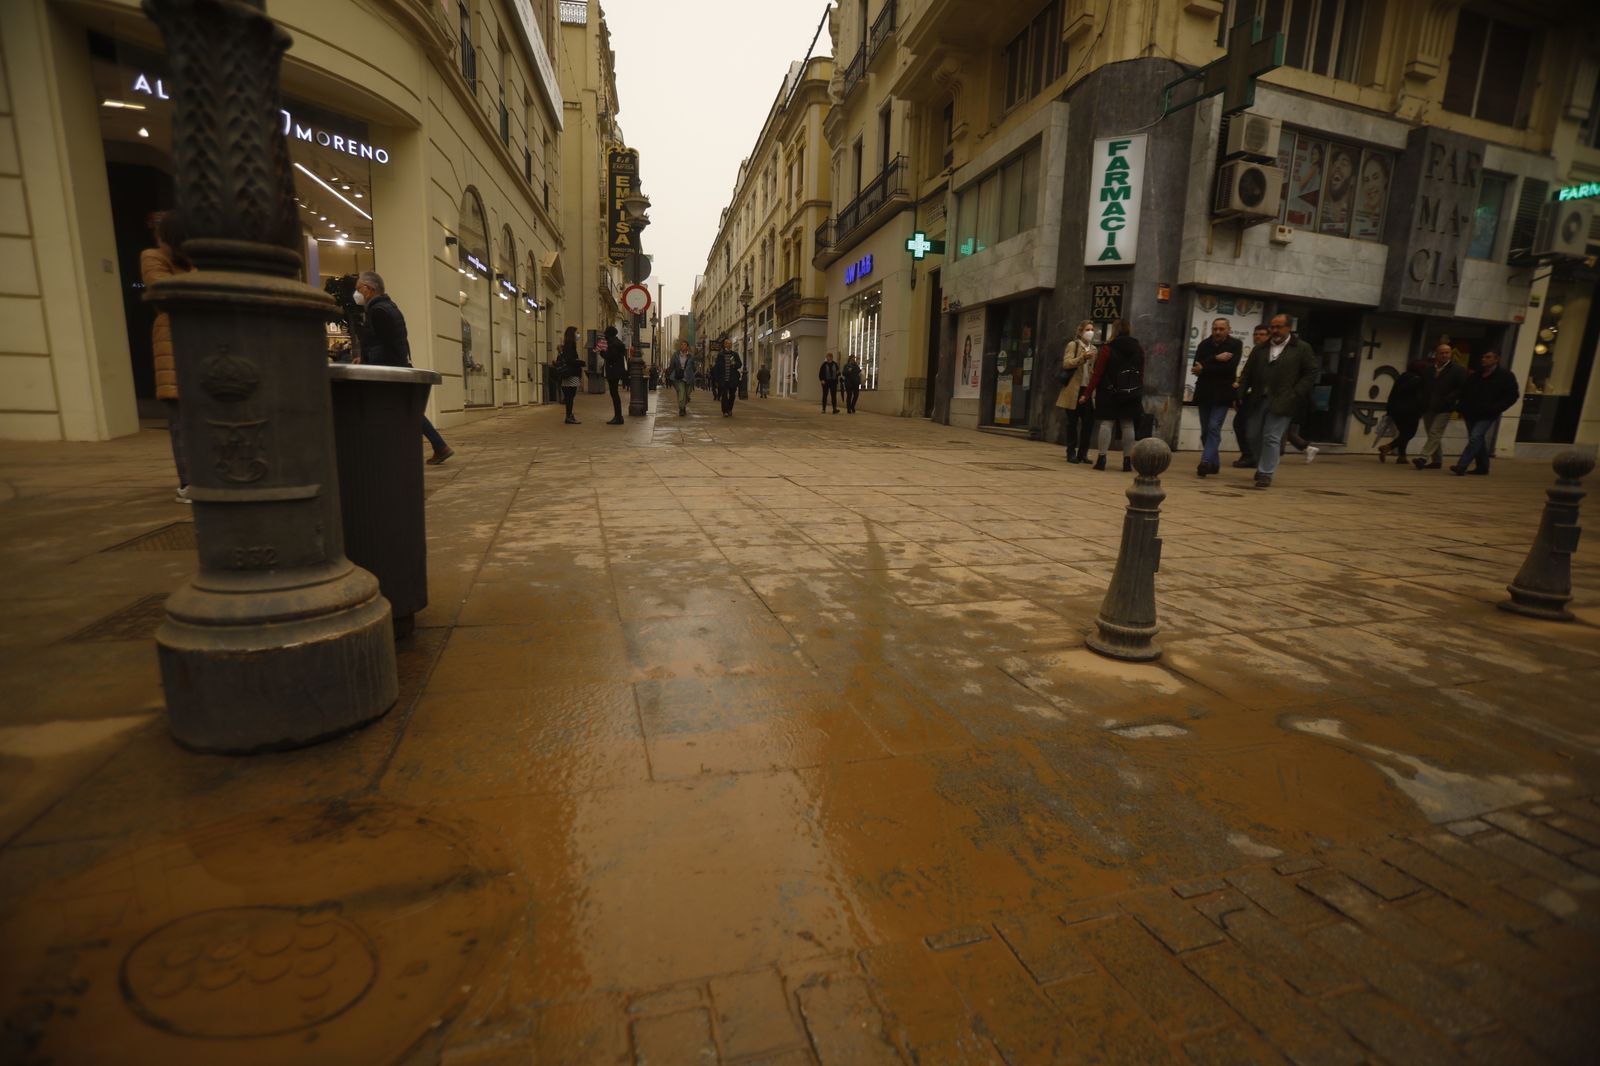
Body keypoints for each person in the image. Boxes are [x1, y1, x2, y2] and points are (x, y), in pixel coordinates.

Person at [352, 270, 454, 464]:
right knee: (407, 410)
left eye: (358, 289)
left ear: (368, 289)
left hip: (386, 370)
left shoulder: (378, 311)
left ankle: (429, 448)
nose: (356, 294)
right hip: (392, 367)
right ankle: (438, 446)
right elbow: (388, 342)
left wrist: (381, 366)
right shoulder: (388, 307)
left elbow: (387, 343)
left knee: (399, 411)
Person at [141, 210, 195, 502]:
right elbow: (163, 291)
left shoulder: (194, 264)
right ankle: (189, 482)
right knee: (181, 418)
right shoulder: (154, 257)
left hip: (201, 341)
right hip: (173, 341)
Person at [1237, 313, 1317, 489]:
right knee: (1252, 435)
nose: (1274, 330)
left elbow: (1311, 372)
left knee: (1271, 437)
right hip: (1258, 398)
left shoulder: (1301, 348)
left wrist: (1296, 392)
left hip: (1283, 400)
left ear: (1289, 328)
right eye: (1272, 327)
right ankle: (1261, 463)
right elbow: (1247, 373)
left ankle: (1266, 472)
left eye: (1279, 327)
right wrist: (1239, 394)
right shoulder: (1261, 349)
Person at [1086, 319, 1143, 472]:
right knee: (1128, 424)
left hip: (1109, 390)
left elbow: (1098, 373)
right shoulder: (1138, 348)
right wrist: (1137, 389)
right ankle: (1127, 461)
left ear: (1115, 330)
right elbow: (1141, 372)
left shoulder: (1108, 348)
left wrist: (1088, 392)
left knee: (1107, 423)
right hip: (1131, 391)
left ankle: (1102, 459)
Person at [1451, 351, 1519, 476]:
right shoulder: (1476, 375)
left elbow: (1512, 395)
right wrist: (1461, 406)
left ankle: (1462, 465)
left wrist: (1497, 408)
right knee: (1478, 439)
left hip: (1488, 413)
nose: (1484, 359)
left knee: (1475, 436)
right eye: (1483, 357)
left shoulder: (1505, 376)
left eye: (1488, 357)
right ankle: (1482, 467)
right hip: (1471, 412)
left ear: (1496, 359)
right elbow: (1465, 391)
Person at [1191, 317, 1241, 477]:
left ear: (1228, 329)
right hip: (1204, 392)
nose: (1217, 332)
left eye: (1221, 329)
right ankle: (1214, 463)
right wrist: (1215, 359)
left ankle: (1205, 461)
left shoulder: (1235, 345)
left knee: (1214, 427)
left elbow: (1229, 369)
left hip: (1223, 394)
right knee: (1206, 430)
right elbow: (1195, 367)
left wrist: (1205, 367)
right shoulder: (1204, 345)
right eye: (1215, 329)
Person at [1413, 340, 1467, 470]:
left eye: (1447, 353)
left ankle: (1423, 458)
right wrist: (1421, 400)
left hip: (1444, 407)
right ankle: (1437, 461)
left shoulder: (1458, 370)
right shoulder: (1429, 369)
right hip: (1428, 406)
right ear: (1436, 354)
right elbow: (1422, 386)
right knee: (1432, 434)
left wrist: (1449, 399)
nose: (1444, 355)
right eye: (1441, 353)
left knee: (1435, 432)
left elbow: (1461, 388)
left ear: (1450, 354)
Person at [1054, 320, 1098, 464]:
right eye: (1087, 329)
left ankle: (1083, 453)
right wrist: (1082, 358)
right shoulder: (1073, 345)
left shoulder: (1094, 349)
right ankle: (1071, 452)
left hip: (1087, 390)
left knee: (1088, 423)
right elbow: (1066, 363)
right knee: (1072, 423)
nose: (1090, 332)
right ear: (1080, 331)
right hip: (1074, 390)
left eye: (1092, 329)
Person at [1375, 360, 1427, 462]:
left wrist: (1389, 409)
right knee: (1409, 433)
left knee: (1403, 433)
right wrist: (1422, 409)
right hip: (1411, 411)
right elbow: (1419, 397)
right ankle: (1388, 447)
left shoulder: (1402, 377)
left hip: (1396, 410)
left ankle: (1402, 456)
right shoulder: (1419, 380)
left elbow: (1393, 393)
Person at [1231, 324, 1268, 468]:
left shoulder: (1272, 353)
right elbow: (1246, 374)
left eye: (1262, 334)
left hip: (1266, 396)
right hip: (1251, 395)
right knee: (1240, 423)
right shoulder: (1256, 351)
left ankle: (1254, 456)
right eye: (1256, 334)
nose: (1258, 337)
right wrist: (1239, 395)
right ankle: (1249, 455)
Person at [597, 325, 627, 425]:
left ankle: (618, 417)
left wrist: (602, 352)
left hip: (613, 372)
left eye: (606, 334)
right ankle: (618, 416)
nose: (605, 336)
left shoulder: (613, 344)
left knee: (614, 394)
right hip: (616, 372)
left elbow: (610, 357)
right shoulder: (618, 343)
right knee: (614, 394)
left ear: (609, 334)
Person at [556, 326, 584, 424]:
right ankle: (569, 416)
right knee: (570, 396)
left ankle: (569, 415)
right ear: (572, 334)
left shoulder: (568, 345)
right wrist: (580, 362)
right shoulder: (570, 345)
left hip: (568, 374)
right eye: (577, 333)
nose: (578, 335)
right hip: (571, 374)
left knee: (570, 396)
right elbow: (570, 360)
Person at [713, 338, 743, 417]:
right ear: (724, 344)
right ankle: (725, 411)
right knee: (724, 395)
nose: (729, 345)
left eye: (730, 344)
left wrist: (734, 364)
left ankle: (729, 409)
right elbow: (717, 367)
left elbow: (740, 364)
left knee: (732, 395)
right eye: (727, 343)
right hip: (723, 379)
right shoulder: (720, 355)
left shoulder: (734, 354)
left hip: (732, 379)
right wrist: (716, 379)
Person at [667, 339, 695, 416]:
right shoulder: (675, 355)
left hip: (688, 377)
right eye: (681, 344)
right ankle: (682, 409)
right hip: (679, 377)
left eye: (684, 345)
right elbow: (672, 365)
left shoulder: (691, 356)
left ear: (687, 347)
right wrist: (669, 375)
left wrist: (693, 375)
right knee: (681, 392)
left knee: (687, 394)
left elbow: (693, 367)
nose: (682, 346)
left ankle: (683, 405)